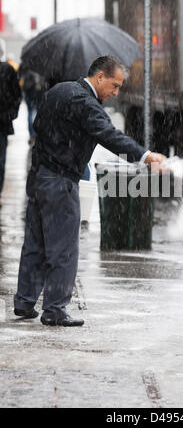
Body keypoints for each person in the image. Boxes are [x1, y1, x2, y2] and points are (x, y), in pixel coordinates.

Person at [13, 55, 167, 327]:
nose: (115, 92)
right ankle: (55, 309)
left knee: (35, 242)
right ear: (99, 78)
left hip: (38, 177)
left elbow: (38, 126)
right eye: (115, 85)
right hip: (60, 182)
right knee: (64, 248)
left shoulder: (59, 90)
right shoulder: (85, 103)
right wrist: (145, 156)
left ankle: (24, 302)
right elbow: (109, 135)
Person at [0, 51, 22, 194]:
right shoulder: (7, 70)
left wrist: (9, 115)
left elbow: (16, 95)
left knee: (0, 161)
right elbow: (17, 95)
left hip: (2, 123)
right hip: (3, 122)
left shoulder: (7, 70)